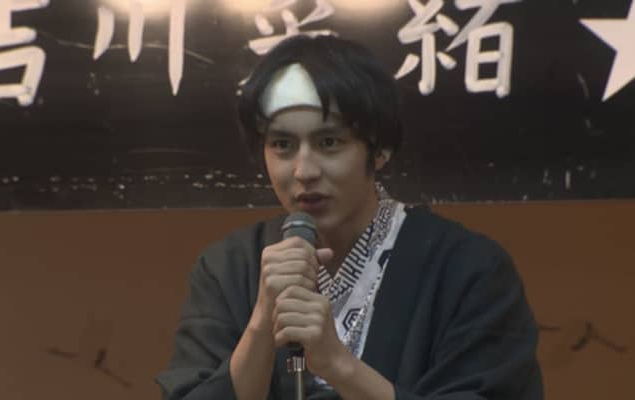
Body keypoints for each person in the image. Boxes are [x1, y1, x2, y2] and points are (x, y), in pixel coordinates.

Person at [156, 35, 543, 400]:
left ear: (381, 148)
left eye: (329, 142)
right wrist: (261, 323)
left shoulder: (469, 268)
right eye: (282, 145)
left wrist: (338, 365)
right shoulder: (228, 268)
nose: (304, 170)